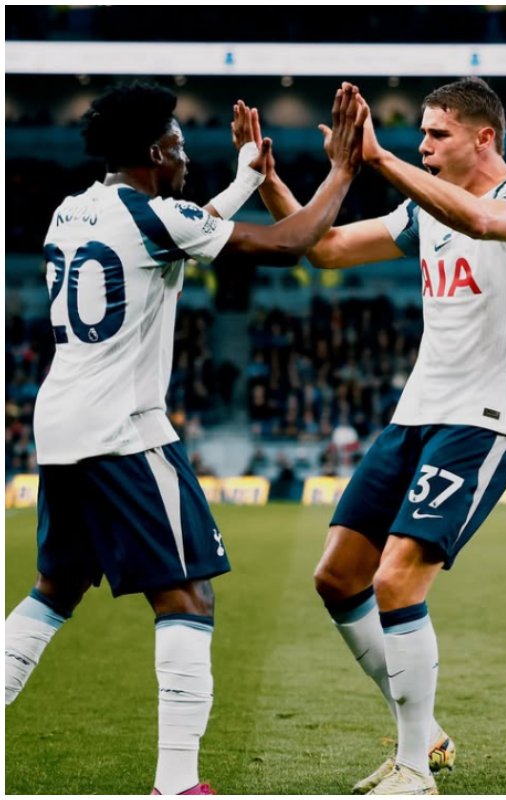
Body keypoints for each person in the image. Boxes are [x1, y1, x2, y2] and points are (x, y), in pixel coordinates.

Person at [3, 80, 366, 795]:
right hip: (124, 429)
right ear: (149, 153)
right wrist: (344, 171)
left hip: (62, 425)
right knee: (189, 597)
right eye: (174, 145)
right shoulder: (151, 216)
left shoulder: (72, 209)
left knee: (55, 587)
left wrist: (240, 180)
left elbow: (178, 227)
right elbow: (292, 240)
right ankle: (177, 784)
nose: (183, 155)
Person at [255, 76, 506, 795]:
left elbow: (487, 226)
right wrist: (270, 181)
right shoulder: (420, 213)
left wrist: (378, 156)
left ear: (484, 138)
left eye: (437, 134)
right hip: (414, 415)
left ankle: (413, 768)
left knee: (396, 581)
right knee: (337, 576)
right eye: (419, 135)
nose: (424, 146)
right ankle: (425, 734)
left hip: (482, 422)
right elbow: (326, 248)